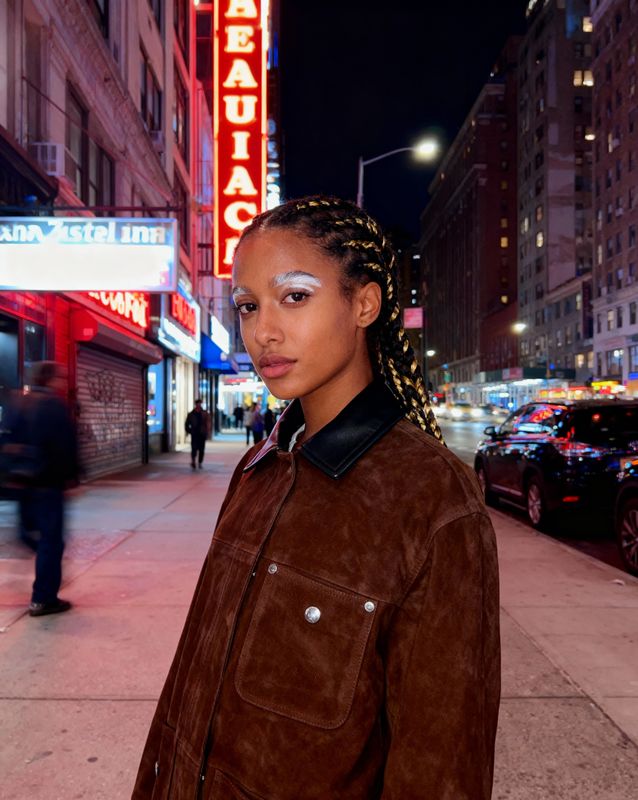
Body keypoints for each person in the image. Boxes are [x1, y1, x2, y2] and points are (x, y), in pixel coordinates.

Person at [133, 197, 500, 799]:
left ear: (365, 303)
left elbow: (441, 768)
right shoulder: (260, 466)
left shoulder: (431, 499)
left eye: (295, 296)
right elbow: (189, 690)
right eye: (248, 306)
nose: (262, 331)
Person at [6, 362, 78, 617]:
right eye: (59, 377)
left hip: (24, 483)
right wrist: (72, 477)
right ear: (49, 379)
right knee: (51, 541)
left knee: (29, 533)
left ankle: (43, 564)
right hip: (48, 485)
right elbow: (66, 446)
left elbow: (8, 440)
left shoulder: (19, 403)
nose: (62, 382)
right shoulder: (54, 406)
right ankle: (44, 598)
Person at [185, 399, 211, 470]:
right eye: (198, 404)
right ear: (195, 404)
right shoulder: (191, 414)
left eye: (200, 404)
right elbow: (187, 424)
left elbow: (208, 423)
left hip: (202, 434)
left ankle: (200, 462)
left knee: (201, 449)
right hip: (194, 434)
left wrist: (207, 432)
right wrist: (189, 431)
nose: (199, 405)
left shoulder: (204, 413)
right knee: (194, 448)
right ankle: (193, 461)